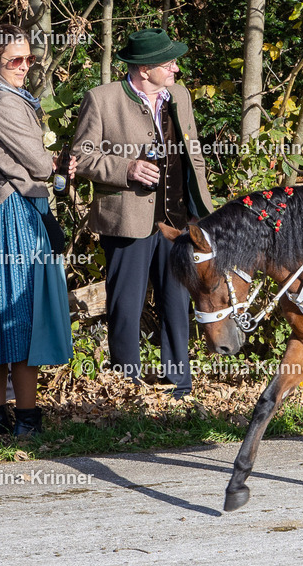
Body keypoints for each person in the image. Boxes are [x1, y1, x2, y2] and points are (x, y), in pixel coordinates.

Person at [71, 28, 213, 393]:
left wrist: (202, 211)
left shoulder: (179, 96)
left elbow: (193, 156)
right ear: (144, 68)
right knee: (126, 306)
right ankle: (126, 386)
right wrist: (126, 169)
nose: (176, 69)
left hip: (177, 219)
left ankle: (179, 384)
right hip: (125, 218)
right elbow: (81, 156)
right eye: (169, 63)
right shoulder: (101, 99)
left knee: (177, 302)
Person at [0, 24, 75, 435]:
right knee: (19, 313)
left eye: (30, 59)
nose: (24, 67)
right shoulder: (4, 103)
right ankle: (27, 419)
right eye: (16, 60)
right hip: (15, 211)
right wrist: (55, 163)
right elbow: (35, 161)